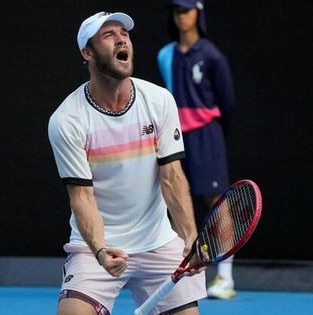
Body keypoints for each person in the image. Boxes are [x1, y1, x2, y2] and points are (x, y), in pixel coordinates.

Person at [48, 11, 207, 315]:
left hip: (158, 242)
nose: (121, 38)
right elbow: (82, 196)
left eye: (124, 33)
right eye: (108, 35)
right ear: (87, 52)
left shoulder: (159, 100)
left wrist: (188, 235)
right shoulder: (67, 120)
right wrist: (100, 250)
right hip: (97, 245)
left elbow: (171, 176)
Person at [157, 0, 237, 299]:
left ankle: (225, 278)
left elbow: (227, 103)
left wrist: (213, 134)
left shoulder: (213, 56)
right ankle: (177, 273)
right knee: (174, 197)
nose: (181, 16)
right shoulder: (165, 55)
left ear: (198, 13)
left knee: (217, 202)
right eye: (177, 11)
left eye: (187, 10)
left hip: (207, 134)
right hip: (176, 135)